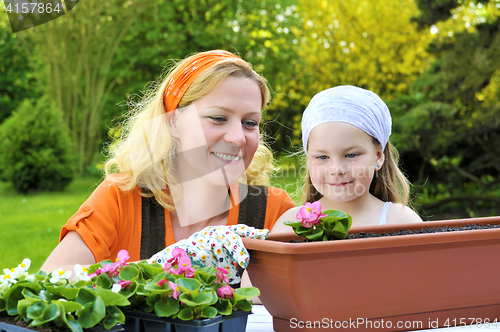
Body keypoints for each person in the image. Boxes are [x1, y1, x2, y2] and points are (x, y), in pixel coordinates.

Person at [41, 50, 295, 273]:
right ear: (173, 121)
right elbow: (52, 276)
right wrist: (164, 271)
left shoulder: (273, 211)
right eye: (218, 118)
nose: (238, 137)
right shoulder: (122, 198)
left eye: (250, 123)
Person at [272, 85, 421, 231]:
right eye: (322, 157)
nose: (336, 169)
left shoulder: (401, 222)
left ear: (378, 156)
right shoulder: (289, 226)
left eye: (351, 155)